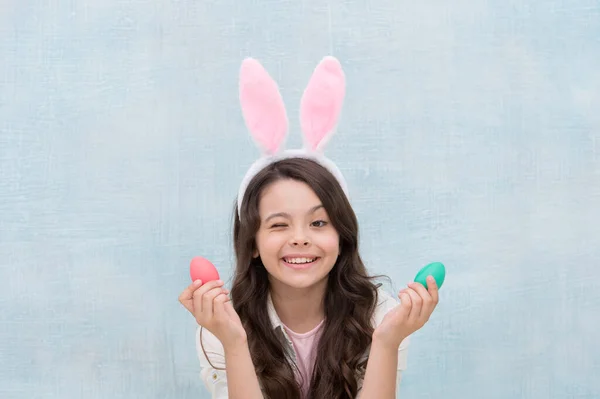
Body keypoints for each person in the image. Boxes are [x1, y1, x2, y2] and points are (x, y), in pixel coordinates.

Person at [178, 56, 440, 399]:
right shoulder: (222, 325)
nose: (300, 239)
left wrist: (387, 342)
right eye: (278, 225)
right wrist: (233, 340)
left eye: (318, 222)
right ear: (253, 242)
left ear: (341, 236)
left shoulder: (379, 315)